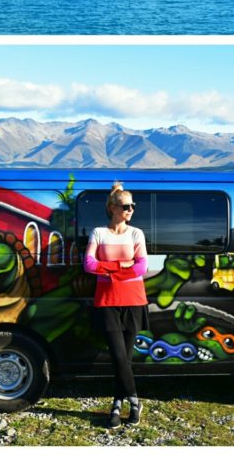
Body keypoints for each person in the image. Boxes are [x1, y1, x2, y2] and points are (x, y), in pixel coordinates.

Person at [84, 181, 148, 427]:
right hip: (107, 301)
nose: (131, 210)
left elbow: (142, 267)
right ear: (112, 207)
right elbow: (88, 265)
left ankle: (116, 404)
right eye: (126, 206)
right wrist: (122, 267)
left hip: (133, 300)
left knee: (125, 359)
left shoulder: (136, 233)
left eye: (133, 206)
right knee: (119, 357)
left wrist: (108, 271)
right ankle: (134, 401)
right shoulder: (99, 233)